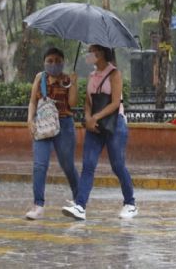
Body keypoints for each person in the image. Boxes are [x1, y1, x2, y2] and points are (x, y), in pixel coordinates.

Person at [62, 44, 138, 220]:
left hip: (114, 124)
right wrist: (89, 118)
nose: (88, 54)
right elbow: (88, 101)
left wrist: (95, 117)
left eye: (91, 51)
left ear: (101, 53)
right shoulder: (91, 75)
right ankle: (80, 206)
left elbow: (115, 103)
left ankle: (130, 203)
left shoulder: (114, 74)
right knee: (88, 165)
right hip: (94, 126)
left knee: (118, 165)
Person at [25, 47, 79, 220]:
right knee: (39, 165)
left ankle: (79, 201)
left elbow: (72, 103)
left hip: (64, 125)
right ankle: (38, 205)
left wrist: (75, 84)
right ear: (44, 62)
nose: (54, 64)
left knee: (67, 165)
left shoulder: (67, 79)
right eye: (50, 61)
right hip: (43, 125)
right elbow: (33, 101)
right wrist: (30, 120)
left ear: (63, 62)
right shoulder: (40, 78)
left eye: (57, 61)